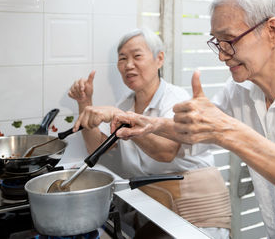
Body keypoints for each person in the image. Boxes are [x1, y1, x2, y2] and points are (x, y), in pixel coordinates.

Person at [111, 0, 275, 239]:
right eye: (217, 43)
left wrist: (230, 132)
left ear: (272, 31)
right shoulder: (238, 90)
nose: (221, 55)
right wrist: (151, 125)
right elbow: (197, 133)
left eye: (230, 40)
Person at [69, 28, 231, 238]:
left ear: (159, 59)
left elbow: (166, 152)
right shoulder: (126, 104)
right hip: (158, 211)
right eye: (122, 59)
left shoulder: (175, 99)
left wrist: (123, 117)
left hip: (197, 210)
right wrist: (85, 103)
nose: (128, 65)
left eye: (137, 56)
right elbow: (96, 149)